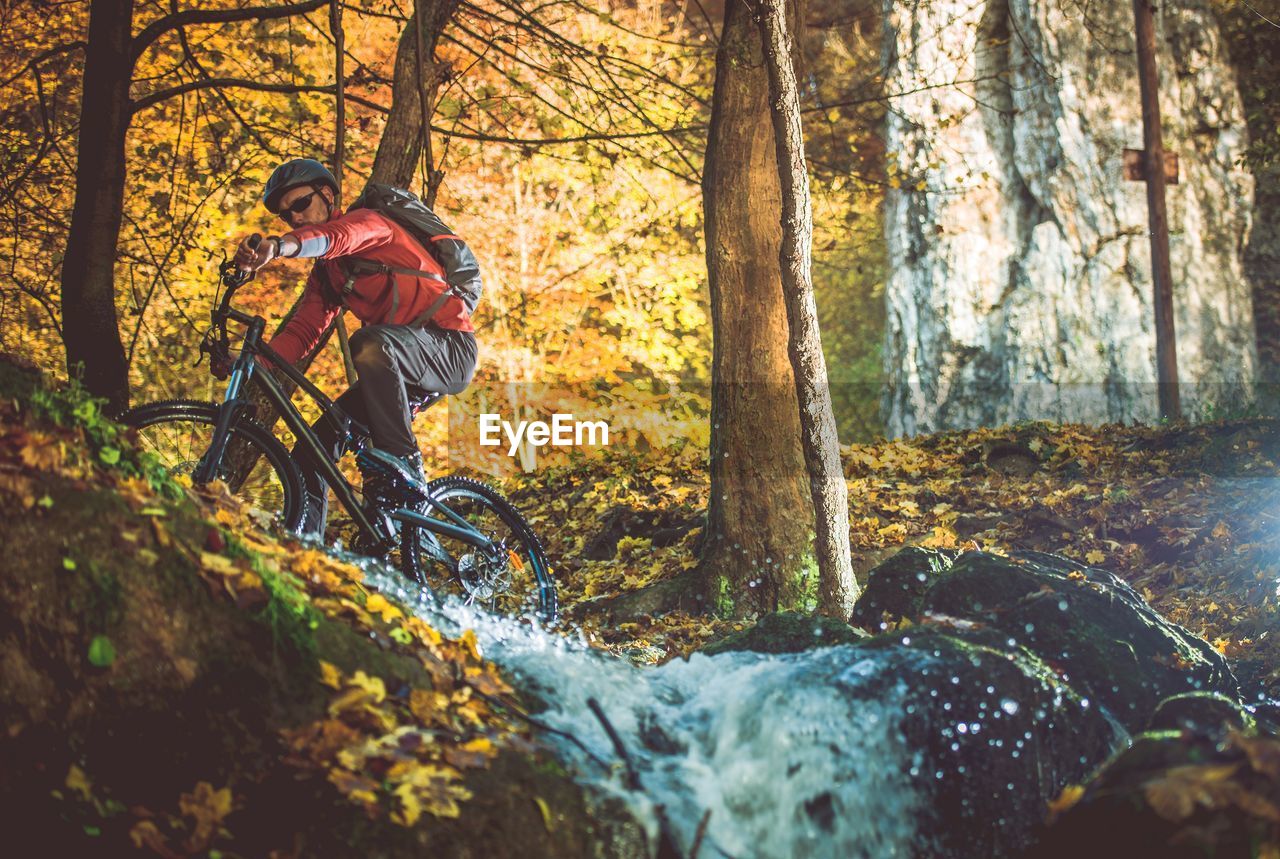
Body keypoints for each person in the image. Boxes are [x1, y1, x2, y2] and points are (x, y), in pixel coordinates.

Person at [233, 158, 480, 541]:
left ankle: (405, 467)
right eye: (286, 217)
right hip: (392, 372)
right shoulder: (328, 276)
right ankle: (309, 550)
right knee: (309, 453)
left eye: (300, 205)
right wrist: (249, 361)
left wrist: (279, 247)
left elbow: (336, 238)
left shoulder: (370, 223)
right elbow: (302, 332)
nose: (295, 219)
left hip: (448, 348)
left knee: (369, 341)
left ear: (327, 195)